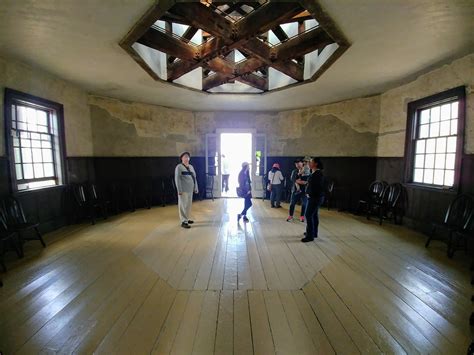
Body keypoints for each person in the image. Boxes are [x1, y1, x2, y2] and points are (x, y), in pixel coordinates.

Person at [301, 157, 325, 242]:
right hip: (315, 197)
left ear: (316, 164)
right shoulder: (315, 173)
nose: (308, 163)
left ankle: (310, 236)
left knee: (308, 215)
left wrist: (309, 194)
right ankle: (313, 233)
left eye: (311, 162)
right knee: (314, 215)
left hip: (315, 198)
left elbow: (317, 187)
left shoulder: (318, 174)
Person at [175, 152, 199, 229]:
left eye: (188, 157)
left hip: (190, 189)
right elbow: (177, 178)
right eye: (185, 157)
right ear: (181, 158)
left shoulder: (191, 167)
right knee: (183, 205)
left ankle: (187, 219)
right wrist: (179, 189)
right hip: (183, 190)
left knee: (188, 205)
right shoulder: (179, 167)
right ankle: (183, 221)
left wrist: (196, 187)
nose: (186, 158)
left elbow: (194, 178)